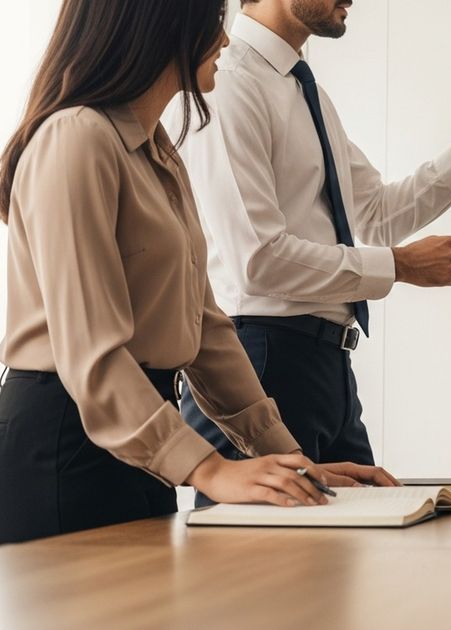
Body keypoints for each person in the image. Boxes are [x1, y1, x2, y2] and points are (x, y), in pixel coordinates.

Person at [0, 0, 394, 544]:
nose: (225, 40)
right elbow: (92, 354)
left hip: (142, 437)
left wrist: (291, 459)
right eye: (213, 22)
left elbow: (206, 329)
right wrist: (209, 469)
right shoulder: (75, 138)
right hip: (64, 443)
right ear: (163, 25)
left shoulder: (159, 154)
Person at [169, 0, 451, 505]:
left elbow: (374, 215)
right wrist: (400, 265)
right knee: (259, 554)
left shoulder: (301, 89)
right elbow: (258, 261)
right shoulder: (229, 84)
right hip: (261, 363)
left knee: (352, 542)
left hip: (325, 366)